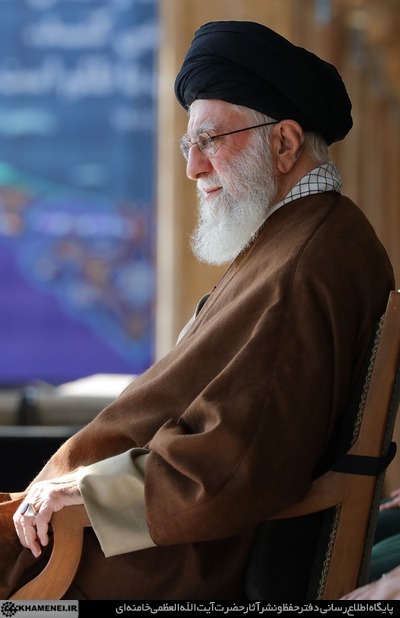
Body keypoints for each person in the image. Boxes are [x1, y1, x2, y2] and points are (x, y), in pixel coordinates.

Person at [0, 20, 395, 600]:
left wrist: (84, 492)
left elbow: (235, 460)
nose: (194, 168)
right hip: (104, 539)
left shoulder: (305, 262)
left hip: (131, 561)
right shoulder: (297, 239)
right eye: (190, 145)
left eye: (210, 140)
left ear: (285, 144)